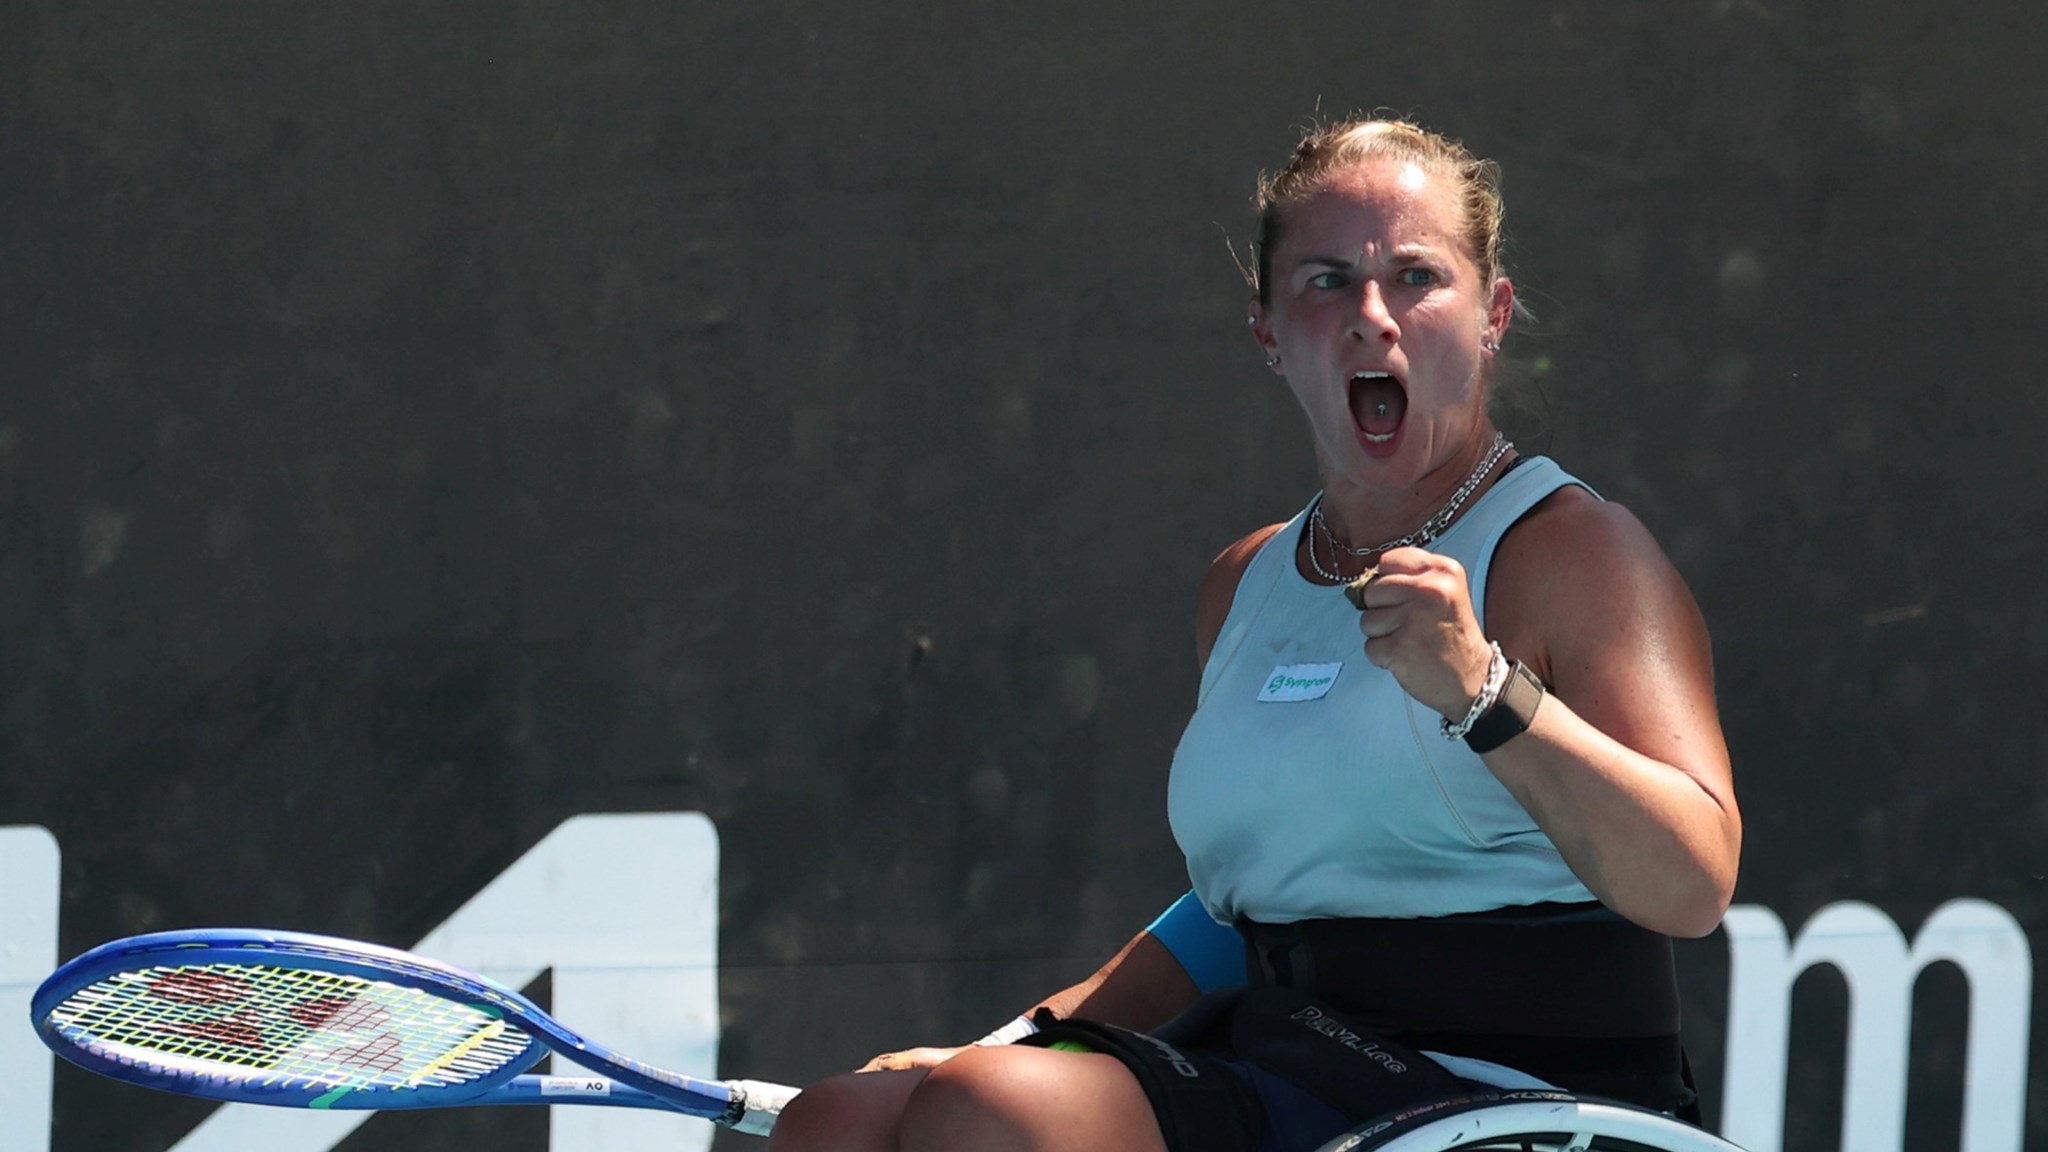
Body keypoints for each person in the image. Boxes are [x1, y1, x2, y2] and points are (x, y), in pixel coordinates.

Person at [766, 117, 1740, 1152]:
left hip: (1518, 1101)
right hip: (1302, 1064)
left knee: (991, 1113)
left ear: (1492, 314)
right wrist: (1021, 1038)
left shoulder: (1576, 551)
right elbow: (1230, 919)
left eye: (1416, 276)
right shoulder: (1243, 583)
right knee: (842, 1123)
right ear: (1268, 332)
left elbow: (1691, 881)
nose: (1372, 317)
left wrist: (1484, 692)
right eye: (1327, 282)